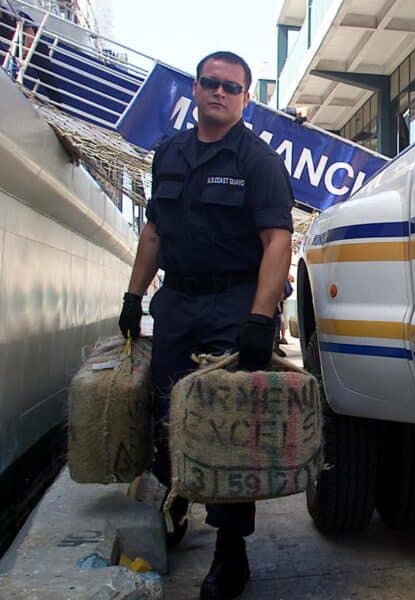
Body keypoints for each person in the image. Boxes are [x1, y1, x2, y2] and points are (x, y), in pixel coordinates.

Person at [118, 50, 293, 600]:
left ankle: (230, 552)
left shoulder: (257, 160)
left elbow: (277, 243)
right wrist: (132, 296)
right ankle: (175, 510)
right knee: (169, 416)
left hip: (232, 305)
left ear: (245, 98)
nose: (219, 92)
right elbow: (153, 234)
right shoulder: (168, 154)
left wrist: (260, 320)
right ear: (194, 90)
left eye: (231, 87)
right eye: (210, 83)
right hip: (176, 307)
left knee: (226, 429)